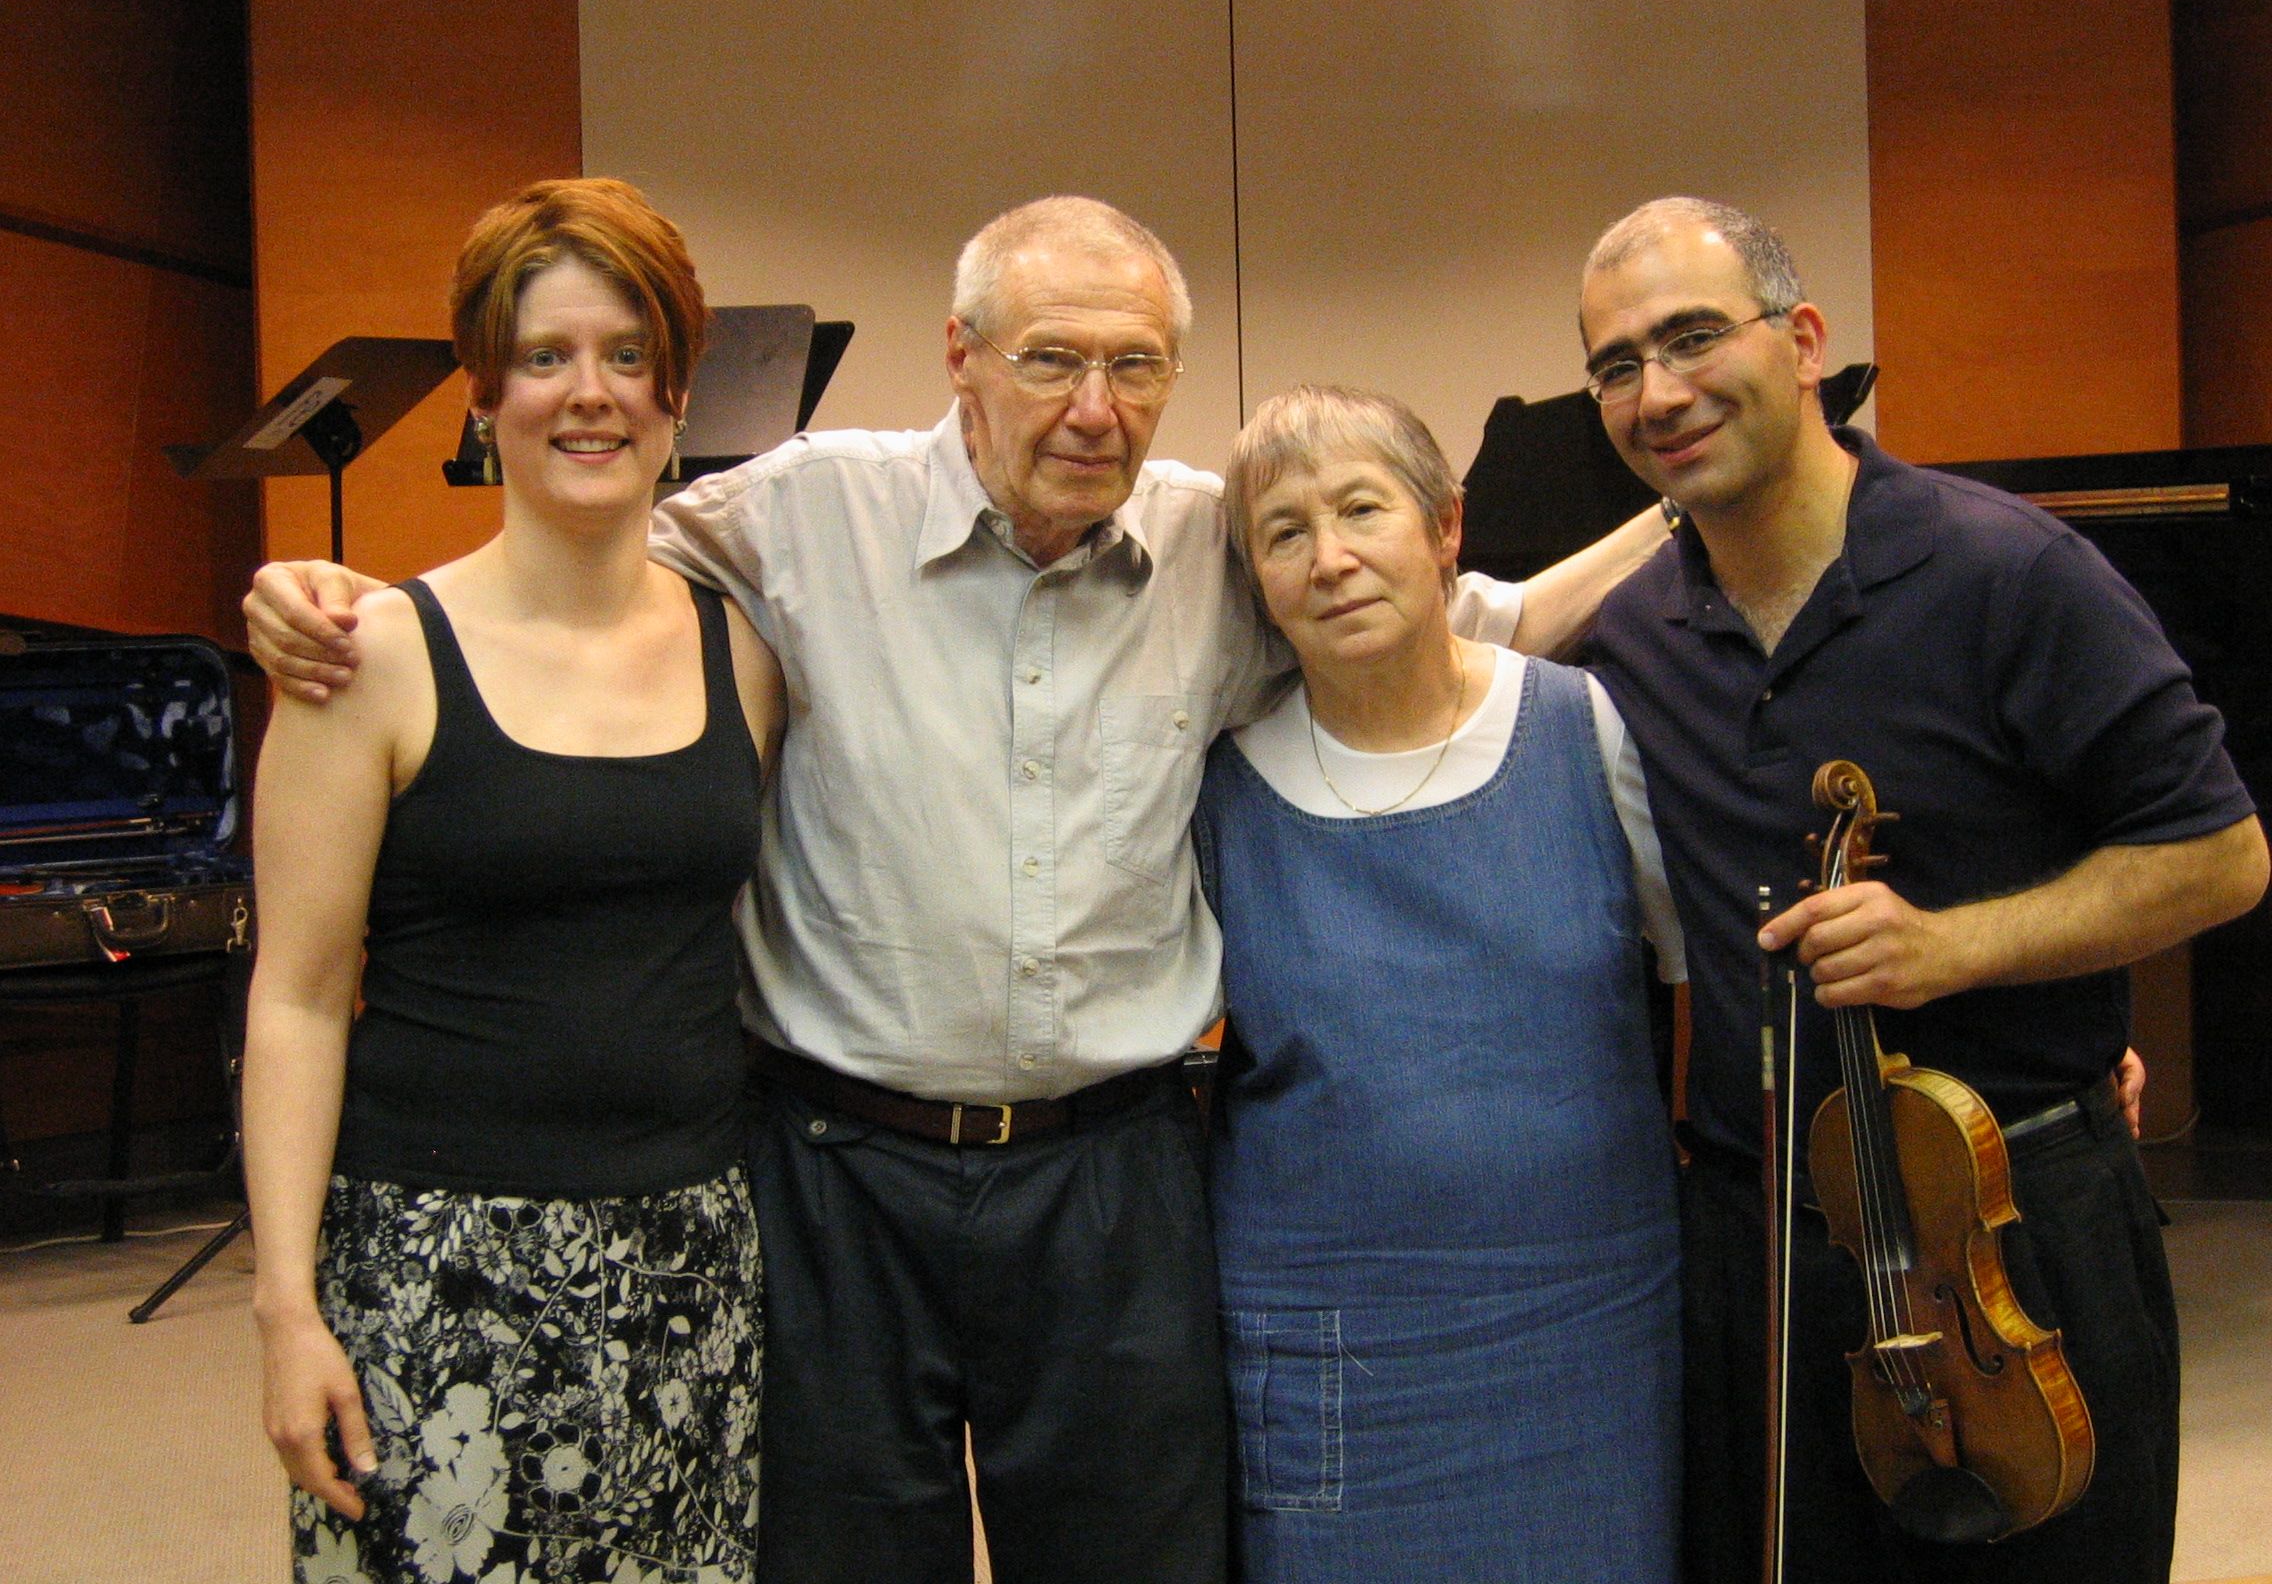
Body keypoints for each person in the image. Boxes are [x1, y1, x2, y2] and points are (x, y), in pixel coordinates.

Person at [242, 195, 1669, 1584]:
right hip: (838, 1175)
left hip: (1111, 1176)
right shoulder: (795, 520)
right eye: (1050, 359)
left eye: (1134, 366)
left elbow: (1481, 613)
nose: (1092, 408)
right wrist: (338, 597)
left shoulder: (1215, 546)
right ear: (961, 359)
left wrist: (1694, 502)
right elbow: (561, 560)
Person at [1577, 196, 2269, 1583]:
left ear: (1806, 341)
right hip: (1767, 1242)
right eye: (1614, 364)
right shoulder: (1630, 640)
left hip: (2018, 1230)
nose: (1657, 393)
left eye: (1693, 336)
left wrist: (1958, 946)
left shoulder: (2010, 572)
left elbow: (2219, 856)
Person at [242, 178, 785, 1584]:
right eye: (544, 357)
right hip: (433, 1270)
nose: (587, 394)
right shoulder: (366, 656)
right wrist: (287, 1311)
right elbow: (296, 1001)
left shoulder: (750, 658)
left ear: (677, 386)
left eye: (624, 353)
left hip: (693, 1267)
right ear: (485, 395)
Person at [1194, 385, 1685, 1580]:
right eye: (1285, 532)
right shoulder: (1218, 789)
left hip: (1588, 1319)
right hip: (1324, 1340)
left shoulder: (1589, 728)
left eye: (1363, 509)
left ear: (1446, 531)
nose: (1332, 559)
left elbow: (1707, 982)